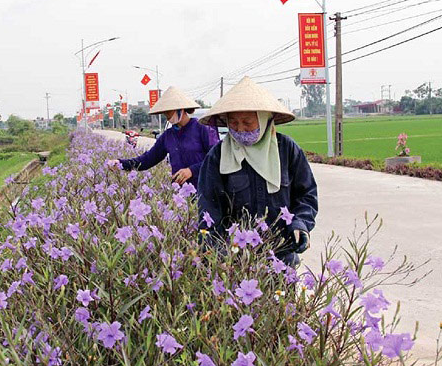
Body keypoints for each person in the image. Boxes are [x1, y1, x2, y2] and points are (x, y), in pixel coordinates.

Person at [197, 77, 318, 267]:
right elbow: (209, 208)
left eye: (248, 122)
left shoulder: (286, 149)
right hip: (235, 259)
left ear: (265, 119)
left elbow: (306, 195)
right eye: (233, 123)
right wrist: (216, 252)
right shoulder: (218, 156)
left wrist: (301, 225)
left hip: (281, 256)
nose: (240, 129)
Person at [107, 86, 219, 189]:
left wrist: (191, 171)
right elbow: (147, 160)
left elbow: (216, 158)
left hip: (205, 189)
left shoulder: (203, 128)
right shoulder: (168, 136)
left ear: (181, 109)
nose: (167, 115)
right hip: (180, 193)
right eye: (165, 112)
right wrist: (121, 164)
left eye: (169, 111)